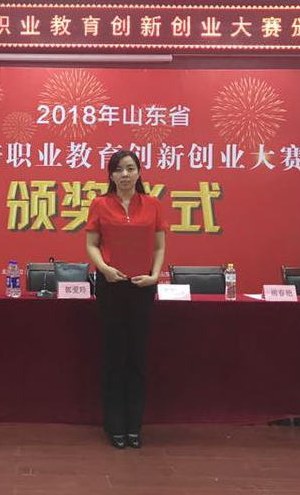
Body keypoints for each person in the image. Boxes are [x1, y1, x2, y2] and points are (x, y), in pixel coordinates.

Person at [86, 150, 167, 449]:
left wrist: (155, 276)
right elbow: (92, 244)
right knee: (113, 356)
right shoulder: (100, 204)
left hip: (142, 287)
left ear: (139, 172)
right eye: (119, 170)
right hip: (111, 286)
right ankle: (114, 426)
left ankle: (134, 426)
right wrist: (104, 269)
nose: (125, 175)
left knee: (137, 358)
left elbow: (159, 247)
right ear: (110, 174)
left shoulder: (153, 204)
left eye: (130, 169)